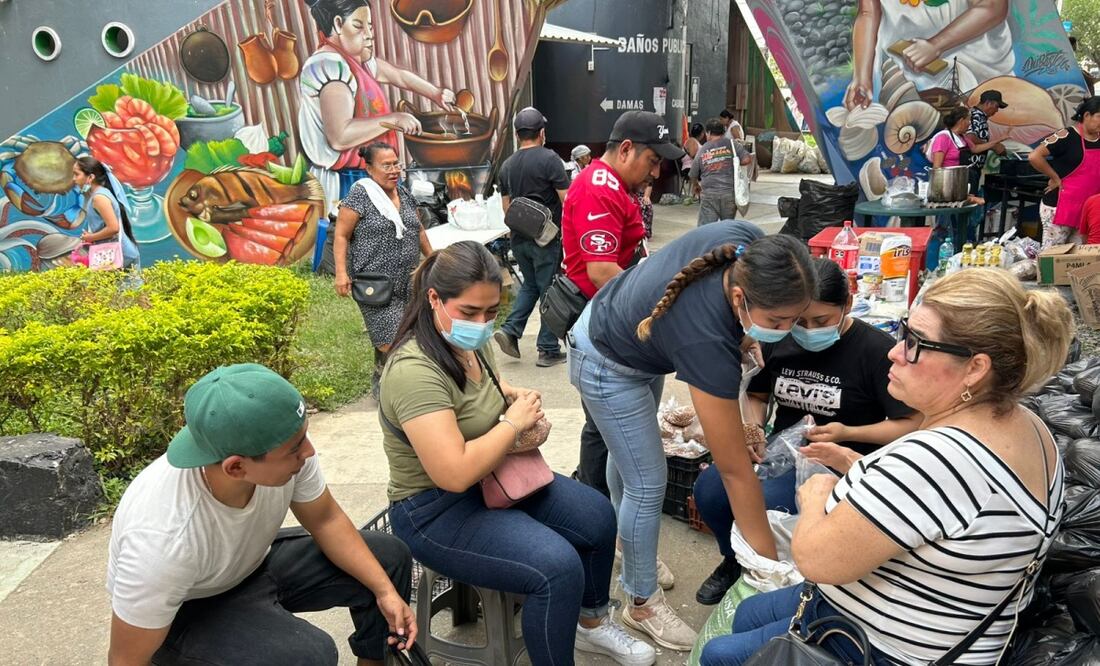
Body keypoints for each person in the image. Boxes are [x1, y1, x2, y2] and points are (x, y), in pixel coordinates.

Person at [699, 268, 1073, 665]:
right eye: (902, 332)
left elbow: (815, 560)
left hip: (888, 647)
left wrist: (816, 498)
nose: (895, 351)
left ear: (976, 368)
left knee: (719, 654)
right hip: (918, 613)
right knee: (746, 612)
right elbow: (933, 510)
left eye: (915, 343)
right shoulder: (1030, 426)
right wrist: (850, 462)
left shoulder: (935, 459)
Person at [382, 241, 655, 666]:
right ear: (434, 299)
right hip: (436, 509)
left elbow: (481, 395)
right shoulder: (414, 371)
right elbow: (452, 473)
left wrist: (512, 394)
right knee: (556, 568)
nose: (482, 322)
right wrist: (513, 424)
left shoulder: (470, 344)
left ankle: (592, 625)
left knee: (598, 516)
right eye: (470, 312)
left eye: (492, 312)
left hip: (493, 479)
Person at [569, 222, 817, 651]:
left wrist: (743, 335)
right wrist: (771, 571)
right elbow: (736, 472)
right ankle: (641, 602)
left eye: (796, 317)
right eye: (778, 320)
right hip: (605, 360)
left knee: (627, 460)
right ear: (740, 298)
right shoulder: (702, 337)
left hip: (632, 332)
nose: (789, 328)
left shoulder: (747, 245)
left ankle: (627, 548)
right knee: (647, 484)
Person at [106, 363, 416, 665]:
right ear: (236, 467)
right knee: (308, 656)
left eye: (304, 435)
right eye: (295, 448)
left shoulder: (282, 447)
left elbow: (326, 519)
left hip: (248, 563)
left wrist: (385, 593)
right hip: (185, 608)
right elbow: (126, 660)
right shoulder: (162, 540)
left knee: (387, 560)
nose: (308, 452)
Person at [691, 258, 919, 605]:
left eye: (822, 321)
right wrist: (753, 426)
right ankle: (736, 560)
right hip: (782, 452)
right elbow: (757, 394)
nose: (808, 330)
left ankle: (783, 579)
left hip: (840, 463)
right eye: (799, 321)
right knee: (710, 489)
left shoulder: (874, 351)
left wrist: (846, 431)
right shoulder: (779, 338)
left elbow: (909, 423)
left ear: (847, 304)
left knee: (765, 505)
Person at [563, 110, 684, 502]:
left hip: (614, 313)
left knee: (608, 425)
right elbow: (601, 272)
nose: (654, 173)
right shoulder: (598, 187)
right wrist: (657, 309)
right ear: (627, 149)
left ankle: (609, 498)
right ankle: (595, 502)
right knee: (602, 425)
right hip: (601, 317)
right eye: (652, 161)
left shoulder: (614, 186)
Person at [299, 0, 458, 211]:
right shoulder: (329, 65)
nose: (369, 34)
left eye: (370, 26)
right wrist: (393, 120)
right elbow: (339, 136)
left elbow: (398, 76)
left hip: (366, 175)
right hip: (347, 183)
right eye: (359, 26)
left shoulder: (354, 61)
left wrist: (435, 93)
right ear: (338, 24)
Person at [333, 142, 432, 386]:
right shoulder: (360, 195)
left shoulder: (404, 194)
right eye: (386, 165)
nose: (393, 170)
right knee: (392, 340)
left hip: (409, 279)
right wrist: (341, 273)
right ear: (369, 168)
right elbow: (341, 235)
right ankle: (396, 386)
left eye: (396, 164)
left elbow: (417, 229)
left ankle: (383, 375)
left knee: (410, 333)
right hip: (375, 282)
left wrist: (432, 257)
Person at [492, 107, 572, 368]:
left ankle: (511, 330)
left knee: (530, 285)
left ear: (517, 135)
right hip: (546, 240)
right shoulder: (550, 160)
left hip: (519, 237)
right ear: (542, 133)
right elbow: (567, 201)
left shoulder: (507, 165)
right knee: (550, 289)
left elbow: (507, 208)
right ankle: (548, 348)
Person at [844, 0, 1013, 109]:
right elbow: (868, 13)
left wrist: (935, 45)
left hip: (971, 61)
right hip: (903, 72)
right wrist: (861, 77)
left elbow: (993, 7)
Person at [1029, 97, 1100, 248]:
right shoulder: (1066, 135)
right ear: (1087, 115)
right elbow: (1035, 156)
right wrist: (1055, 178)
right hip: (1060, 206)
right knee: (1053, 255)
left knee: (1079, 257)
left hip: (1088, 208)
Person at [71, 156, 140, 270]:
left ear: (91, 177)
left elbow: (113, 228)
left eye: (76, 174)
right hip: (115, 254)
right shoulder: (99, 194)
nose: (74, 179)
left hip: (119, 256)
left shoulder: (99, 198)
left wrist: (91, 237)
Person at [691, 118, 753, 226]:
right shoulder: (732, 144)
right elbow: (747, 159)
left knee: (705, 230)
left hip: (709, 195)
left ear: (709, 133)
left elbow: (693, 173)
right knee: (727, 228)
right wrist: (733, 163)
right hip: (729, 195)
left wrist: (695, 185)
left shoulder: (703, 149)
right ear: (723, 131)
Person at [966, 90, 1008, 193]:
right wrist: (993, 146)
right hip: (969, 167)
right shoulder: (975, 115)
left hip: (973, 168)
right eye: (997, 106)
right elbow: (969, 137)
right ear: (988, 103)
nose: (997, 110)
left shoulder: (981, 117)